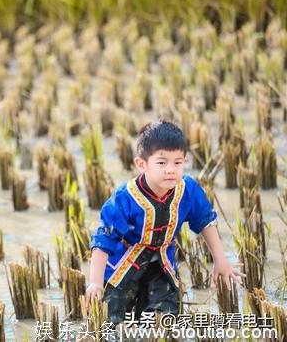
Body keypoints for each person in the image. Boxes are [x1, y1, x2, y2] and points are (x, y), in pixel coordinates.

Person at [85, 120, 244, 325]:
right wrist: (95, 283)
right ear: (142, 164)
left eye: (178, 162)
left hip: (162, 266)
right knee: (109, 323)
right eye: (162, 163)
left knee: (163, 322)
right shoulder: (124, 199)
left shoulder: (187, 190)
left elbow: (205, 221)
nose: (171, 170)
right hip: (121, 269)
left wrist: (220, 260)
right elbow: (104, 239)